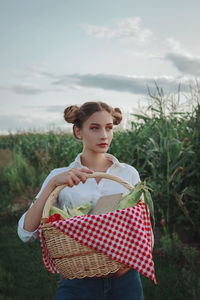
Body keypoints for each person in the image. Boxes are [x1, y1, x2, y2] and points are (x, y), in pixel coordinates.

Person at [18, 101, 144, 300]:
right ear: (78, 132)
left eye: (109, 128)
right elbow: (26, 233)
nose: (104, 135)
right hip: (78, 281)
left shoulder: (128, 174)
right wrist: (52, 184)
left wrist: (127, 264)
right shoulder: (59, 176)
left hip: (125, 281)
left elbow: (143, 229)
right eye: (95, 128)